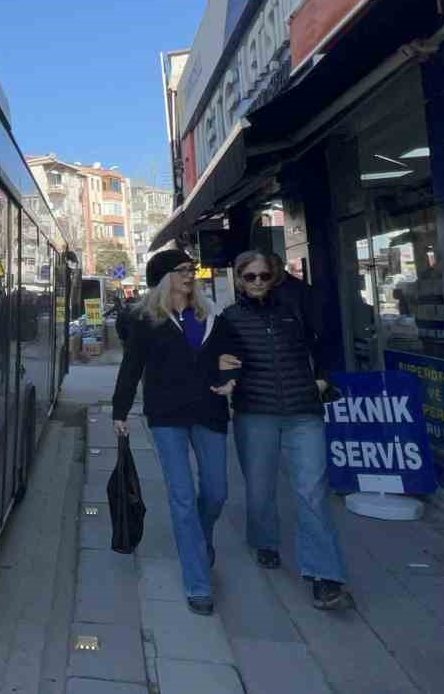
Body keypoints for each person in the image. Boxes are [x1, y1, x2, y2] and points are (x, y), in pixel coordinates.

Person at [213, 250, 353, 611]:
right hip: (255, 413)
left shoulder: (294, 310)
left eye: (263, 275)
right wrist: (225, 379)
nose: (258, 282)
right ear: (240, 280)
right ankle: (265, 541)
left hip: (303, 412)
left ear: (273, 277)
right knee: (260, 490)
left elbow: (326, 344)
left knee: (312, 492)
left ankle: (324, 575)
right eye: (250, 276)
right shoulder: (229, 319)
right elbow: (222, 360)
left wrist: (322, 380)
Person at [111, 249, 235, 616]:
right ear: (165, 278)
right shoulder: (147, 320)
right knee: (182, 497)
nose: (190, 275)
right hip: (166, 416)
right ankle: (198, 583)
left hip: (210, 410)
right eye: (182, 270)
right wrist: (120, 411)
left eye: (191, 269)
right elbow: (131, 367)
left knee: (216, 492)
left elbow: (231, 356)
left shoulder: (212, 315)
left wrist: (230, 380)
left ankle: (201, 539)